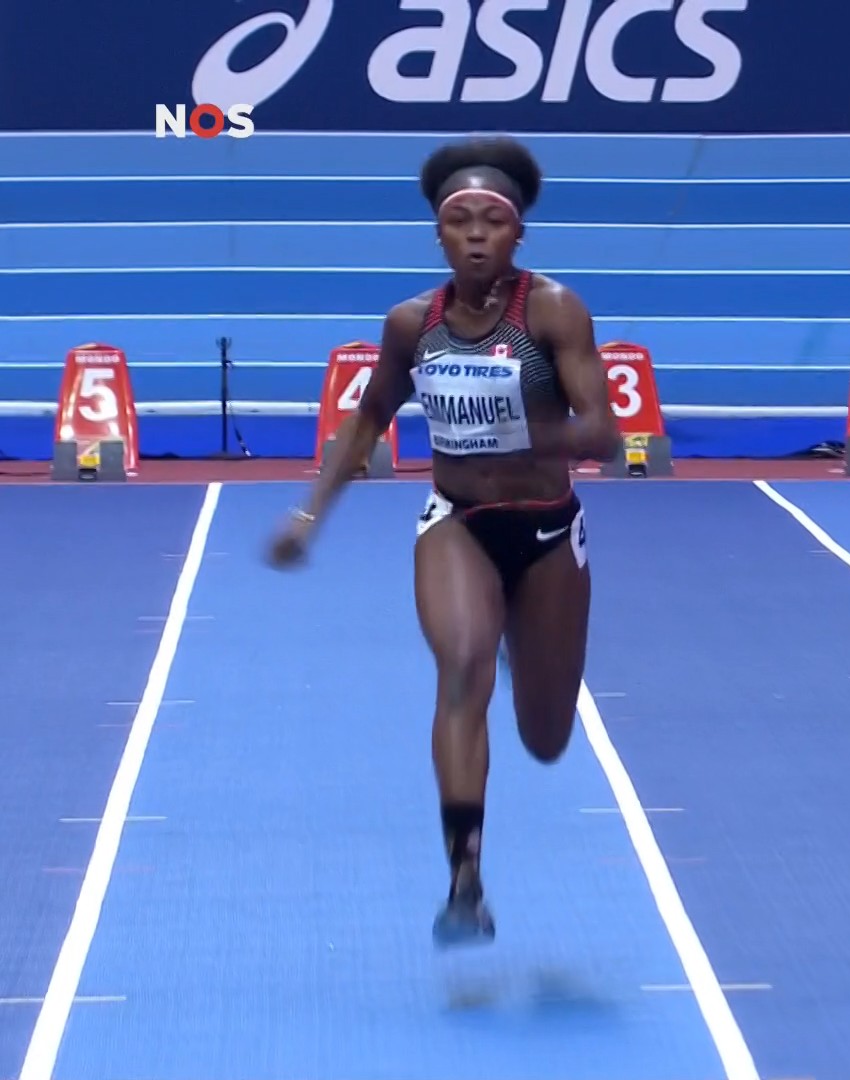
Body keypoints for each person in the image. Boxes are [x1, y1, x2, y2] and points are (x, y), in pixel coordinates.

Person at [265, 136, 620, 945]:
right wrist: (309, 516)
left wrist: (528, 436)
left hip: (547, 529)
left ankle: (520, 642)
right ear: (438, 233)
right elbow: (366, 420)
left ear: (518, 232)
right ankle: (465, 882)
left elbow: (603, 432)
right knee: (461, 668)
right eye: (460, 221)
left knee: (546, 737)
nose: (475, 235)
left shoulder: (553, 312)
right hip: (457, 525)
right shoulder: (411, 325)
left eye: (492, 221)